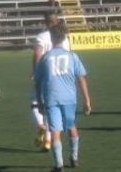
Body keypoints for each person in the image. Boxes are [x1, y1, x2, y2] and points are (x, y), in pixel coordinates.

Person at [34, 22, 92, 172]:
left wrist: (39, 101)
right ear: (64, 38)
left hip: (51, 99)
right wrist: (87, 100)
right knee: (72, 127)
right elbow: (81, 79)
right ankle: (74, 158)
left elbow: (38, 82)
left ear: (52, 39)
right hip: (69, 98)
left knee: (55, 131)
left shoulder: (46, 58)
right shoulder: (72, 56)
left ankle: (59, 165)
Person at [31, 12, 71, 151]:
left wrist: (35, 71)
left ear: (45, 22)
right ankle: (48, 140)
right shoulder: (64, 38)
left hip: (45, 74)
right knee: (51, 108)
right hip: (62, 79)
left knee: (35, 102)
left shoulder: (43, 36)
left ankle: (41, 125)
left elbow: (37, 53)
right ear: (57, 21)